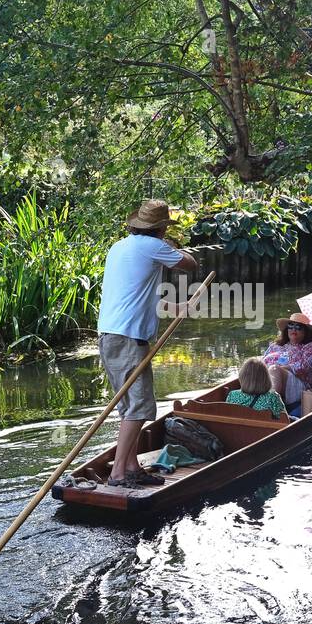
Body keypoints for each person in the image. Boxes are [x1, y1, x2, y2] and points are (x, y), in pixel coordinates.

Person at [97, 199, 198, 489]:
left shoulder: (119, 247)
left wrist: (175, 307)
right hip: (128, 340)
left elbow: (136, 297)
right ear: (161, 229)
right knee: (140, 407)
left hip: (111, 337)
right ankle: (118, 473)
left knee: (130, 408)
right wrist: (174, 245)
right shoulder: (153, 246)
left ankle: (130, 467)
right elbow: (190, 265)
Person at [263, 312, 312, 414]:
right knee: (250, 366)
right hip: (270, 376)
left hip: (299, 383)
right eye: (291, 325)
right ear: (287, 329)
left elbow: (303, 367)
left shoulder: (310, 347)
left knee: (274, 369)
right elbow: (263, 361)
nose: (294, 329)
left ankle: (270, 409)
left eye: (298, 327)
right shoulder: (275, 345)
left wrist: (280, 369)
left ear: (305, 331)